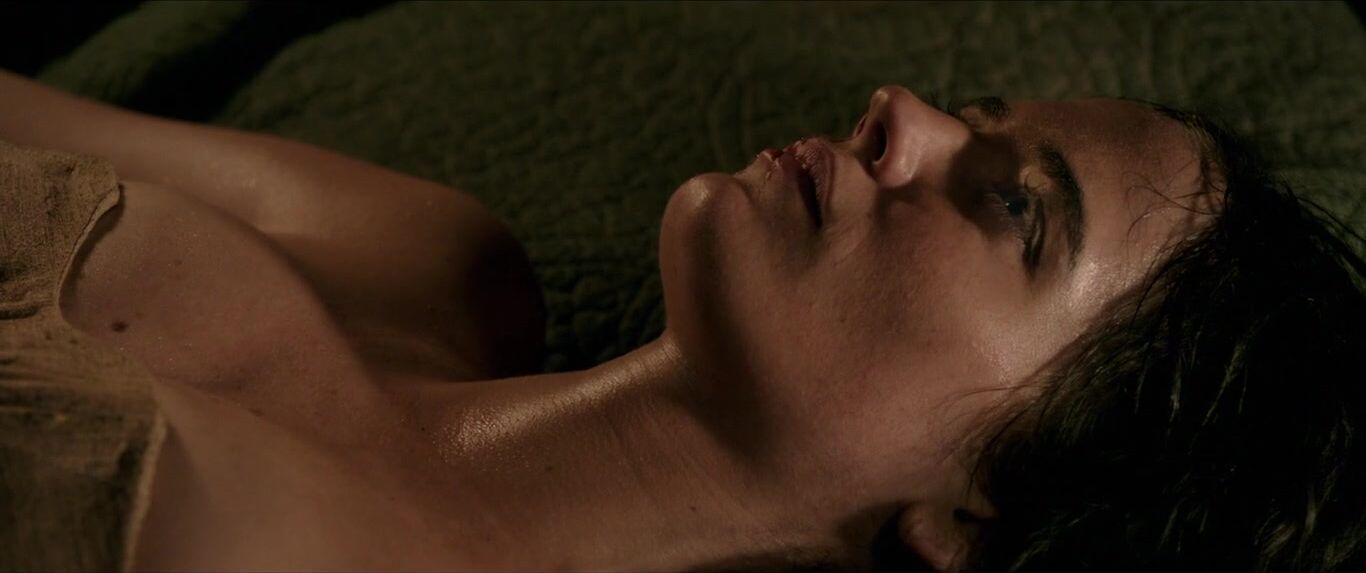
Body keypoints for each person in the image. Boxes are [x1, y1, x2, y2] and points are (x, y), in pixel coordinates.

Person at [0, 70, 1362, 572]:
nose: (901, 115)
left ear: (979, 522)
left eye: (1015, 210)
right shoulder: (423, 261)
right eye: (974, 113)